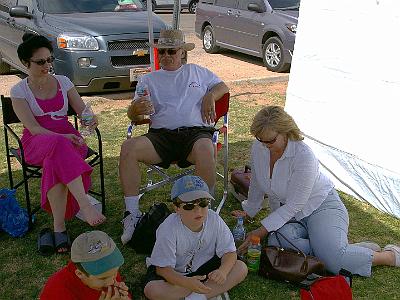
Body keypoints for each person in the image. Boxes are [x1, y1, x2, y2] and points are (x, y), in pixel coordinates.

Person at [234, 105, 400, 277]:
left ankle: (388, 256)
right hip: (289, 212)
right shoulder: (259, 146)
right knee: (276, 242)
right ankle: (336, 248)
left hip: (322, 206)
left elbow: (294, 205)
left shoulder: (304, 156)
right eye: (260, 140)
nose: (264, 145)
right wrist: (249, 210)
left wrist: (259, 231)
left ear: (285, 132)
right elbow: (257, 182)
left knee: (332, 262)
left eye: (270, 141)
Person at [119, 29, 229, 244]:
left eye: (171, 51)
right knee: (128, 147)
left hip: (196, 134)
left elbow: (222, 86)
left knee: (206, 149)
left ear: (182, 53)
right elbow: (135, 115)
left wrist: (210, 95)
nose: (166, 56)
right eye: (162, 52)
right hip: (161, 136)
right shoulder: (148, 79)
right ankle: (131, 215)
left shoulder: (198, 72)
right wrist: (134, 110)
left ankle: (204, 214)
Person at [10, 33, 106, 255]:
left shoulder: (63, 82)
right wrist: (62, 137)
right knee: (56, 146)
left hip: (69, 139)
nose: (47, 65)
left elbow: (83, 111)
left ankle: (59, 228)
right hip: (37, 141)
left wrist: (90, 118)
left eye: (50, 60)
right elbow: (33, 128)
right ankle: (84, 205)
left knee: (56, 159)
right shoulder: (19, 91)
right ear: (25, 63)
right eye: (40, 62)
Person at [143, 175, 247, 300]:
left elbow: (229, 252)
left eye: (203, 203)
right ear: (176, 208)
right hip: (176, 274)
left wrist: (223, 272)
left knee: (240, 268)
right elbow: (163, 270)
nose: (198, 211)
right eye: (189, 206)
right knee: (152, 290)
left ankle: (197, 296)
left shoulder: (214, 219)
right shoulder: (168, 228)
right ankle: (203, 291)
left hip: (206, 269)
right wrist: (186, 282)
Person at [40, 230, 131, 300]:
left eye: (115, 273)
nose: (112, 281)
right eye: (103, 278)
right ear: (79, 274)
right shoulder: (58, 291)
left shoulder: (108, 270)